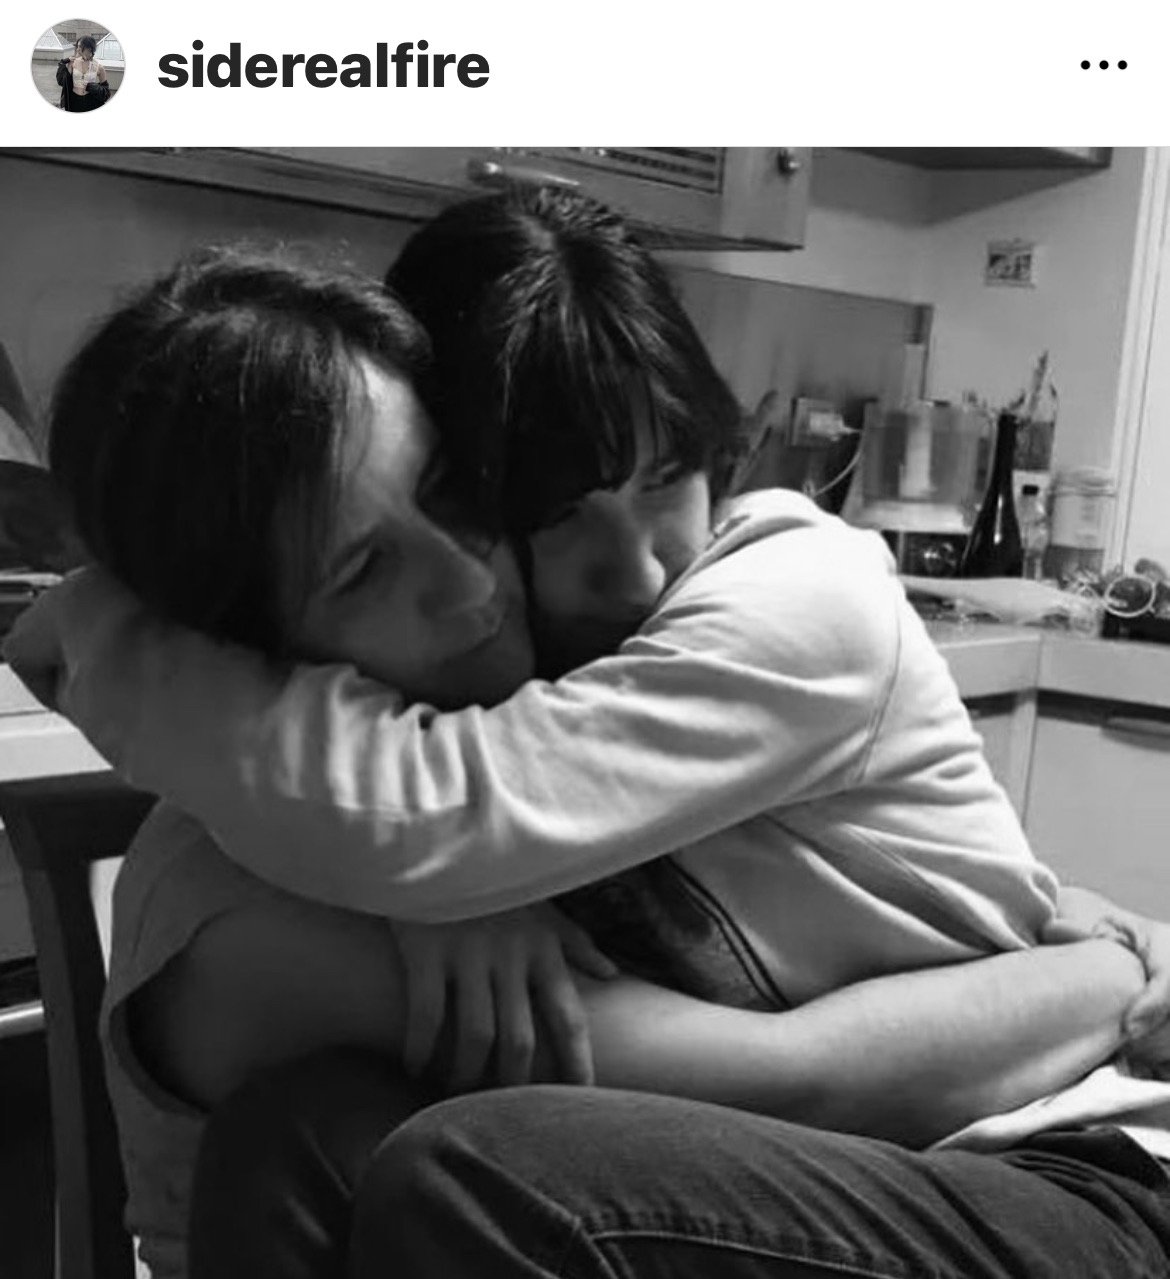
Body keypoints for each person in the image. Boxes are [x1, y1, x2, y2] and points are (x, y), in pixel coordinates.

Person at [8, 194, 1170, 1279]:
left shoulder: (764, 596)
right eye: (364, 570)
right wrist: (438, 887)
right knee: (358, 1147)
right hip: (863, 1160)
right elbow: (780, 1073)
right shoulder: (265, 896)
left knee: (463, 1170)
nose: (469, 581)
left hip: (1068, 1165)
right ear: (246, 646)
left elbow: (457, 818)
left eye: (455, 492)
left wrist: (1107, 961)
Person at [62, 36, 108, 111]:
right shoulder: (72, 62)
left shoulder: (99, 67)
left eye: (80, 46)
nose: (77, 49)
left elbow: (106, 90)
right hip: (74, 100)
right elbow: (62, 81)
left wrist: (95, 87)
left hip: (91, 101)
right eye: (77, 46)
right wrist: (64, 63)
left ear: (89, 48)